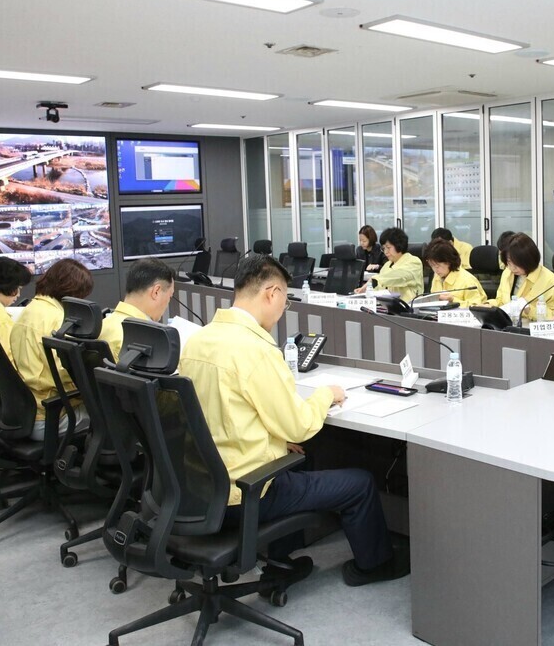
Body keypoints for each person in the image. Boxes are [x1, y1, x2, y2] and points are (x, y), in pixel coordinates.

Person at [179, 255, 410, 586]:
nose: (282, 310)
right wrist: (326, 395)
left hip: (202, 488)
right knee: (359, 483)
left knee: (299, 457)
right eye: (284, 302)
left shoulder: (199, 340)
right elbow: (299, 426)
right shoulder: (255, 349)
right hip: (247, 492)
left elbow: (219, 410)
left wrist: (279, 440)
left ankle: (280, 563)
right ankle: (373, 567)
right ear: (272, 293)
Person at [11, 258, 93, 441]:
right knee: (115, 418)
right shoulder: (57, 320)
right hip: (51, 417)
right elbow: (66, 373)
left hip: (26, 412)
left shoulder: (28, 311)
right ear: (73, 291)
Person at [101, 258, 175, 360]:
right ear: (156, 292)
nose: (168, 303)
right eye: (170, 296)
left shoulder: (102, 325)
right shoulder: (144, 342)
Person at [487, 233, 554, 322]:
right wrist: (488, 305)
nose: (512, 268)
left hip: (533, 327)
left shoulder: (551, 281)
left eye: (516, 263)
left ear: (528, 260)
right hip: (508, 324)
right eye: (508, 262)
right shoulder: (507, 272)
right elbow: (501, 301)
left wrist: (529, 310)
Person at [354, 227, 424, 303]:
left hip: (409, 306)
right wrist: (366, 290)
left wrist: (375, 279)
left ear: (398, 245)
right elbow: (379, 288)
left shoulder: (414, 262)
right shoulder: (387, 265)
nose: (386, 252)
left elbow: (399, 277)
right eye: (384, 248)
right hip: (387, 306)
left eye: (388, 247)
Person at [422, 238, 485, 307]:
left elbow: (476, 306)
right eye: (432, 266)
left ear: (448, 261)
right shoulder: (437, 276)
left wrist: (453, 300)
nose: (435, 270)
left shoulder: (467, 280)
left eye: (437, 266)